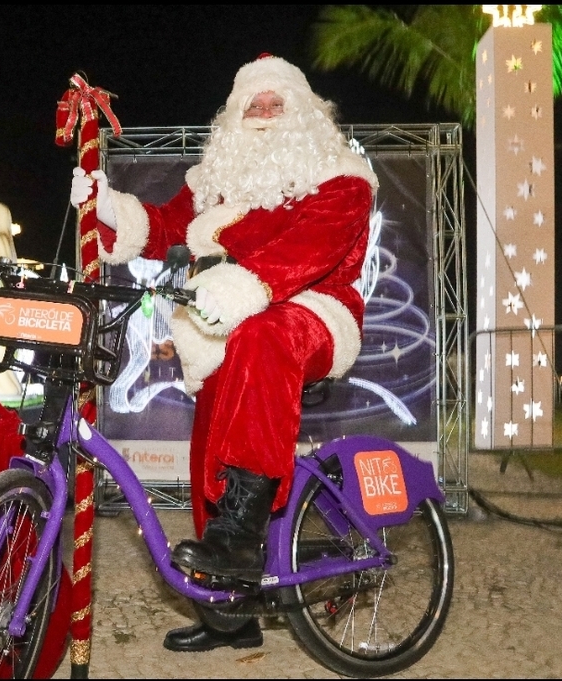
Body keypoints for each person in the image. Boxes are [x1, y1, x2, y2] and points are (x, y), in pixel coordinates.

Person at [70, 54, 378, 652]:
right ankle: (226, 613)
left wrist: (241, 287)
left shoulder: (340, 175)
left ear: (305, 110)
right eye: (252, 103)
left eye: (275, 102)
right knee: (211, 449)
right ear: (233, 114)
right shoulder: (215, 180)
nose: (263, 112)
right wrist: (107, 207)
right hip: (226, 322)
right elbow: (163, 228)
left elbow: (312, 248)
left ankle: (239, 540)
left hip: (313, 311)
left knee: (267, 334)